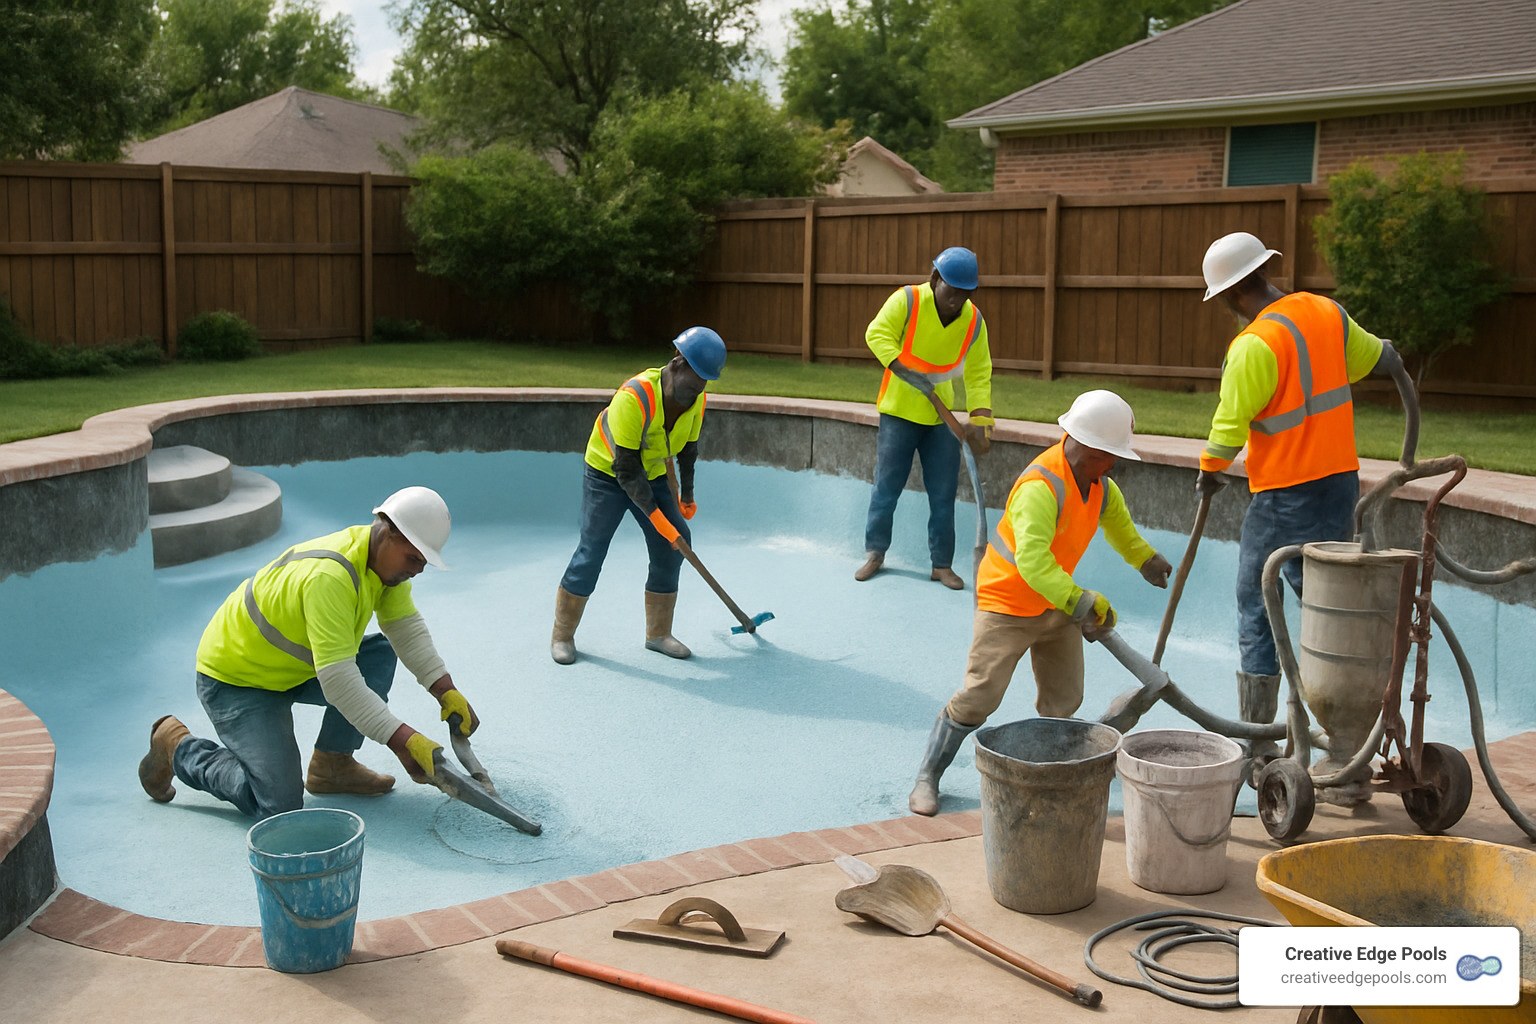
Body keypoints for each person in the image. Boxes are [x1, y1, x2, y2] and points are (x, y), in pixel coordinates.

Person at [1194, 231, 1408, 778]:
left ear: (1229, 294)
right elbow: (1368, 359)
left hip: (1285, 492)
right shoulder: (1324, 311)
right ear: (1266, 272)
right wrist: (1390, 356)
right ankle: (1351, 734)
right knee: (1328, 597)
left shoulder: (1254, 345)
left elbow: (1229, 424)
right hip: (1339, 482)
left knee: (1257, 601)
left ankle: (1260, 742)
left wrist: (1209, 472)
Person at [138, 485, 478, 820]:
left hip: (293, 669)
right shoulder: (330, 577)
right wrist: (404, 740)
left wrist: (445, 690)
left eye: (423, 562)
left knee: (377, 654)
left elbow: (405, 629)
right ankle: (177, 747)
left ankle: (332, 766)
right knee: (277, 802)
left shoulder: (378, 563)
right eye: (414, 558)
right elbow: (340, 683)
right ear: (389, 530)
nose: (417, 570)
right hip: (237, 680)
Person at [908, 390, 1172, 816]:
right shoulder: (1041, 486)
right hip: (1006, 605)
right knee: (979, 697)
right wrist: (1080, 599)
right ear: (1087, 446)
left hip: (1055, 603)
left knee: (1064, 699)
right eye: (1110, 455)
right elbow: (1032, 561)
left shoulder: (1100, 486)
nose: (1115, 464)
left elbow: (1120, 528)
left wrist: (1144, 558)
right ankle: (928, 776)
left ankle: (1050, 776)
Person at [550, 327, 727, 665]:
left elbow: (688, 449)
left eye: (704, 383)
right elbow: (627, 470)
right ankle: (562, 636)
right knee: (593, 549)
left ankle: (658, 634)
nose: (696, 391)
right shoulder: (634, 397)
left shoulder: (697, 399)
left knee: (674, 543)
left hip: (652, 473)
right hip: (608, 472)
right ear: (677, 363)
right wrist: (660, 520)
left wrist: (686, 496)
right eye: (693, 382)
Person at [855, 246, 995, 590]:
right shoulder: (907, 300)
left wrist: (980, 420)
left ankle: (941, 565)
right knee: (887, 488)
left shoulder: (973, 321)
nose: (956, 299)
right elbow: (876, 334)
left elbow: (979, 373)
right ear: (935, 279)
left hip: (939, 420)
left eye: (965, 293)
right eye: (952, 290)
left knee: (944, 493)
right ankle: (875, 553)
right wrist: (903, 368)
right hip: (899, 412)